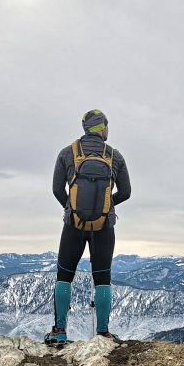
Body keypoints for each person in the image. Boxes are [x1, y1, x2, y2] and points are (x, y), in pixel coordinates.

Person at [48, 109, 131, 345]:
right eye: (106, 125)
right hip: (104, 226)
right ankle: (103, 333)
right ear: (101, 128)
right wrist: (107, 206)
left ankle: (59, 331)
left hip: (73, 225)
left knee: (65, 275)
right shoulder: (115, 156)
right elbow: (126, 192)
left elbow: (56, 189)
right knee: (102, 278)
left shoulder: (67, 153)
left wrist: (71, 207)